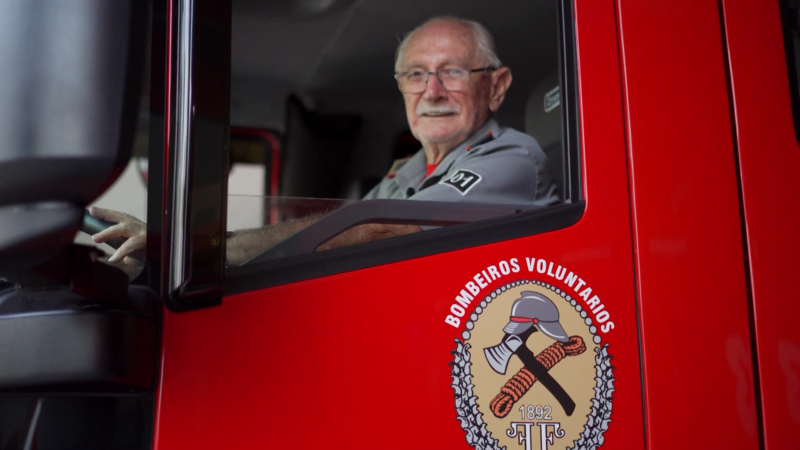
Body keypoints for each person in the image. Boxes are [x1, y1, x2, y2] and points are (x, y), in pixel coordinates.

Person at [91, 16, 559, 269]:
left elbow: (376, 230)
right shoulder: (409, 171)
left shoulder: (513, 158)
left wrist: (204, 246)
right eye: (416, 75)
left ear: (497, 86)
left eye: (453, 72)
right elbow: (346, 232)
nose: (431, 91)